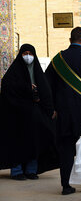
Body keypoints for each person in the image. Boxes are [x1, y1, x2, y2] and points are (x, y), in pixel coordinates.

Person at [45, 27, 81, 195]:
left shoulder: (57, 59)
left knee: (66, 149)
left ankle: (66, 185)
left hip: (63, 113)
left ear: (70, 40)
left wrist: (52, 108)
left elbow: (47, 86)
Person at [0, 44, 56, 179]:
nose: (28, 56)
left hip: (34, 116)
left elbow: (45, 92)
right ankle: (17, 171)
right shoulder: (13, 72)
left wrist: (50, 110)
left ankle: (31, 170)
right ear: (20, 55)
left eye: (30, 53)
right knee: (17, 143)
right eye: (25, 53)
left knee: (35, 141)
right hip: (16, 115)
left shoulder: (37, 72)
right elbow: (7, 87)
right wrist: (27, 88)